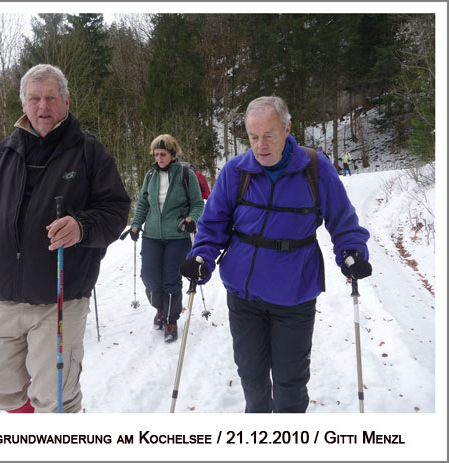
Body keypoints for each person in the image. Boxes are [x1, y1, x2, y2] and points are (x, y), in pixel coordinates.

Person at [0, 64, 131, 413]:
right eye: (35, 98)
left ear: (66, 101)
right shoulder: (5, 152)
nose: (43, 106)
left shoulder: (89, 152)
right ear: (23, 104)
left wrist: (81, 227)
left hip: (61, 295)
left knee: (55, 397)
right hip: (6, 293)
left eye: (51, 98)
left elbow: (116, 211)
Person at [180, 96, 372, 413]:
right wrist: (202, 256)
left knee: (290, 382)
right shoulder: (234, 172)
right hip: (244, 296)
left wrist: (351, 252)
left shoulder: (314, 168)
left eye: (269, 135)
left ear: (287, 128)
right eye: (253, 137)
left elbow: (343, 222)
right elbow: (212, 225)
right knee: (252, 378)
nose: (261, 145)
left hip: (294, 295)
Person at [127, 134, 204, 342]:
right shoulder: (150, 175)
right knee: (150, 277)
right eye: (156, 154)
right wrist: (135, 224)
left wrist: (191, 219)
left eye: (163, 154)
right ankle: (160, 307)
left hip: (177, 236)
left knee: (171, 278)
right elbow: (143, 203)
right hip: (152, 235)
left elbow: (198, 203)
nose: (159, 158)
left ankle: (170, 319)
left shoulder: (185, 175)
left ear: (172, 154)